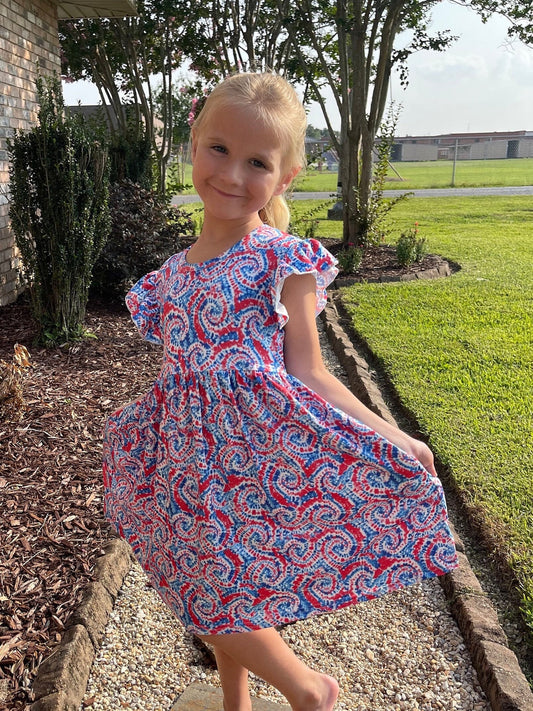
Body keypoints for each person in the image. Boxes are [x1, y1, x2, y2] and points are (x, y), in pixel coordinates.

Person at [103, 72, 458, 711]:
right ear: (192, 141)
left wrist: (392, 434)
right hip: (187, 465)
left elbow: (311, 372)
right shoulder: (168, 278)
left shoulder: (282, 260)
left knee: (214, 596)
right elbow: (181, 375)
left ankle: (309, 690)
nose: (233, 174)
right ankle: (235, 704)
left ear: (285, 176)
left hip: (255, 460)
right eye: (219, 149)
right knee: (213, 587)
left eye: (257, 162)